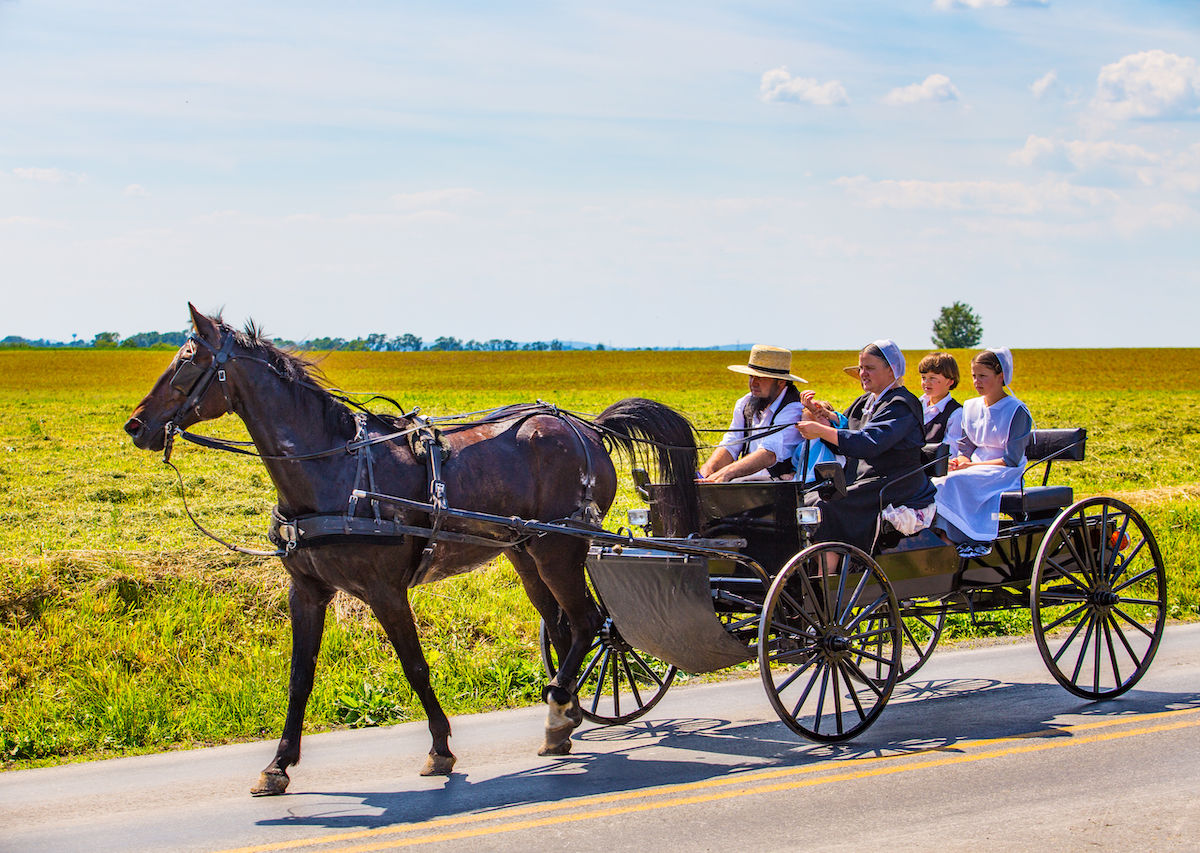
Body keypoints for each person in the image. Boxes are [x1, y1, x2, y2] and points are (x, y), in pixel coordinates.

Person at [795, 339, 936, 553]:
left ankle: (828, 576)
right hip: (866, 480)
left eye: (869, 368)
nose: (862, 373)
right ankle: (810, 565)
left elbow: (868, 442)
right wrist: (823, 417)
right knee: (806, 497)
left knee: (825, 507)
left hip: (895, 484)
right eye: (861, 368)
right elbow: (848, 433)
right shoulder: (865, 402)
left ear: (891, 370)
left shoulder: (901, 404)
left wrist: (821, 430)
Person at [932, 347, 1033, 559]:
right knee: (938, 480)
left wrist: (971, 466)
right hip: (975, 468)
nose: (977, 382)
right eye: (974, 376)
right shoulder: (971, 406)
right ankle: (944, 535)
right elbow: (966, 445)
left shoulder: (1016, 410)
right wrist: (961, 460)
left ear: (1001, 376)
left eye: (983, 376)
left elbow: (1012, 459)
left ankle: (964, 538)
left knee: (953, 482)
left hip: (1004, 472)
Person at [698, 344, 806, 483]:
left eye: (761, 378)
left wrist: (726, 474)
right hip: (747, 483)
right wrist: (706, 473)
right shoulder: (745, 403)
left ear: (780, 382)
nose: (753, 382)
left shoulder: (793, 409)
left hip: (779, 485)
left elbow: (769, 454)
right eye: (751, 376)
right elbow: (731, 444)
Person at [917, 352, 963, 450]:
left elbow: (950, 451)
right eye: (923, 377)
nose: (926, 382)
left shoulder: (956, 413)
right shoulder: (916, 405)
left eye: (932, 378)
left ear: (950, 381)